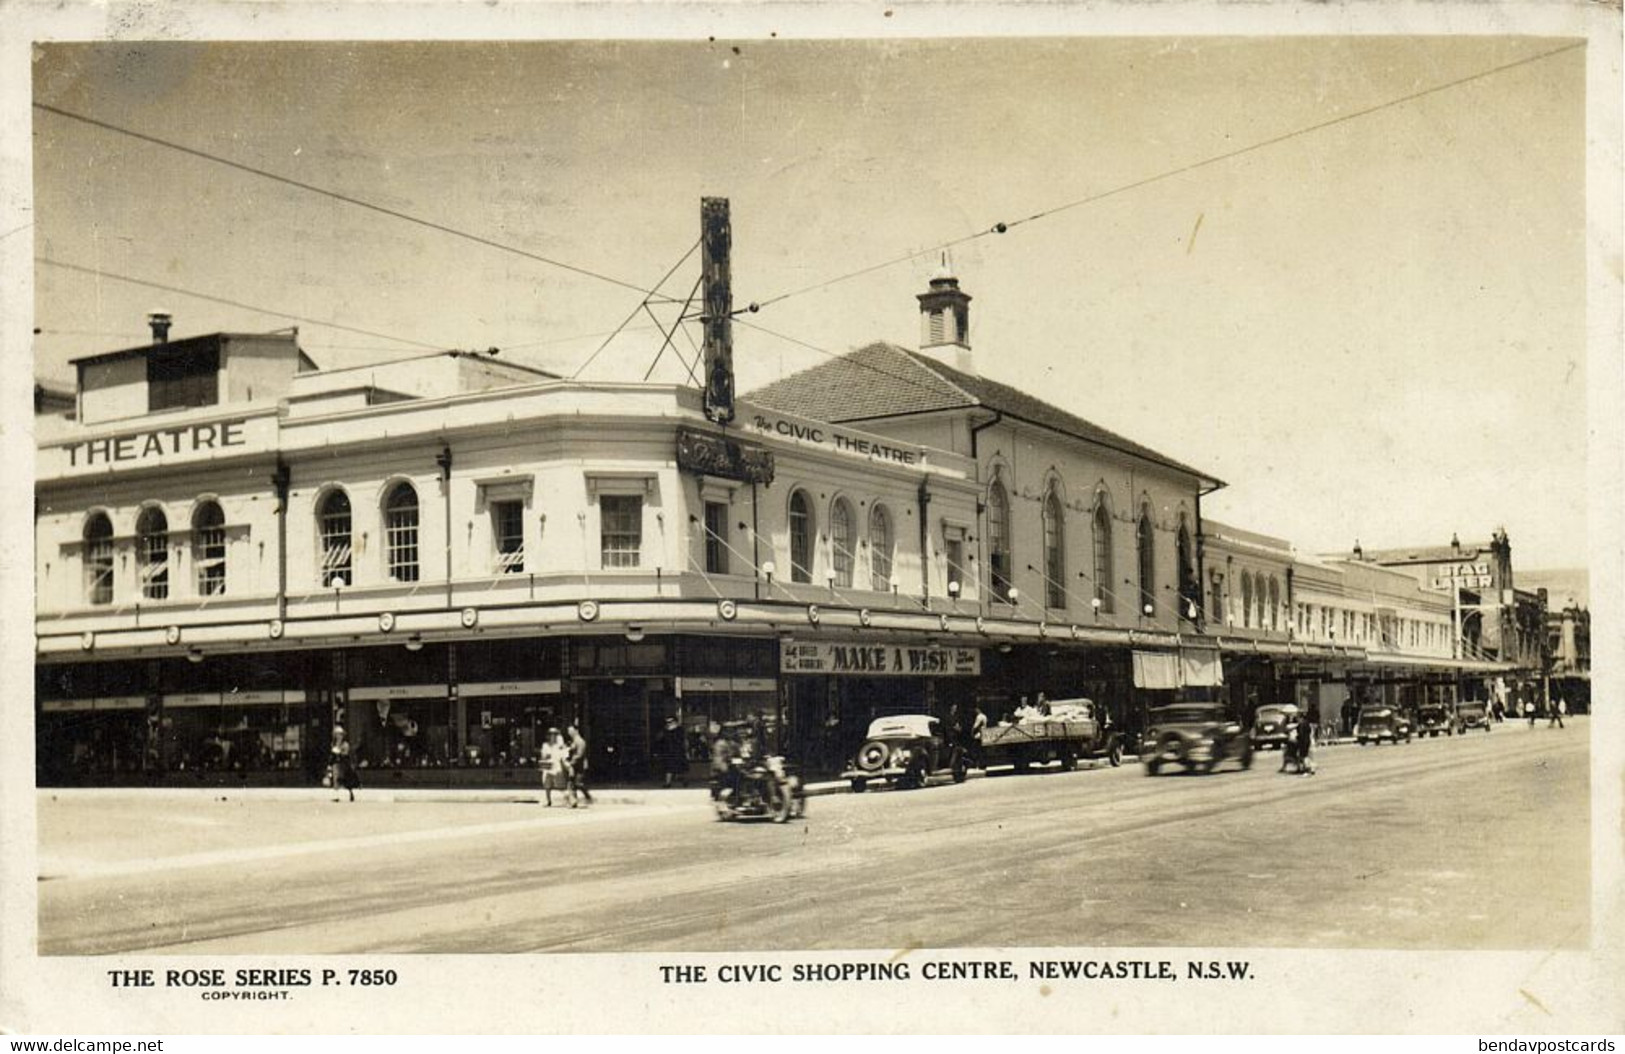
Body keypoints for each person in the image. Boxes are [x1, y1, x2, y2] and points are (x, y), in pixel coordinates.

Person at [539, 727, 571, 807]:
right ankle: (548, 800)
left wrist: (562, 746)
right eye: (550, 734)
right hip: (548, 767)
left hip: (557, 767)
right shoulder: (545, 745)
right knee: (547, 785)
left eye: (554, 734)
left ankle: (569, 800)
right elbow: (543, 756)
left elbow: (565, 755)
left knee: (560, 786)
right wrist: (546, 756)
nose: (552, 736)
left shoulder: (560, 746)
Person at [565, 723, 593, 806]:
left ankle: (587, 796)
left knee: (578, 784)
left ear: (576, 731)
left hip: (579, 765)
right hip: (574, 765)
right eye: (568, 731)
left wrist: (571, 762)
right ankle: (573, 801)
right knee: (571, 784)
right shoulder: (573, 742)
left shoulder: (580, 741)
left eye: (570, 731)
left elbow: (580, 755)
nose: (569, 732)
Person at [330, 726, 359, 803]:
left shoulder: (345, 744)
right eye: (337, 734)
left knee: (346, 780)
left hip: (343, 764)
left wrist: (339, 752)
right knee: (336, 780)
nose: (338, 736)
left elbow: (346, 753)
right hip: (336, 764)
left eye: (340, 734)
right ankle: (336, 796)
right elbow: (332, 755)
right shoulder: (333, 744)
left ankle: (351, 794)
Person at [658, 715, 689, 787]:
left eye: (670, 721)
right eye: (667, 722)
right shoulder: (665, 730)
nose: (668, 723)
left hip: (678, 751)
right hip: (668, 751)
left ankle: (683, 781)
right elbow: (659, 739)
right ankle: (668, 783)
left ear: (675, 722)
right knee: (668, 767)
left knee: (680, 768)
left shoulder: (680, 729)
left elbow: (683, 740)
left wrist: (686, 749)